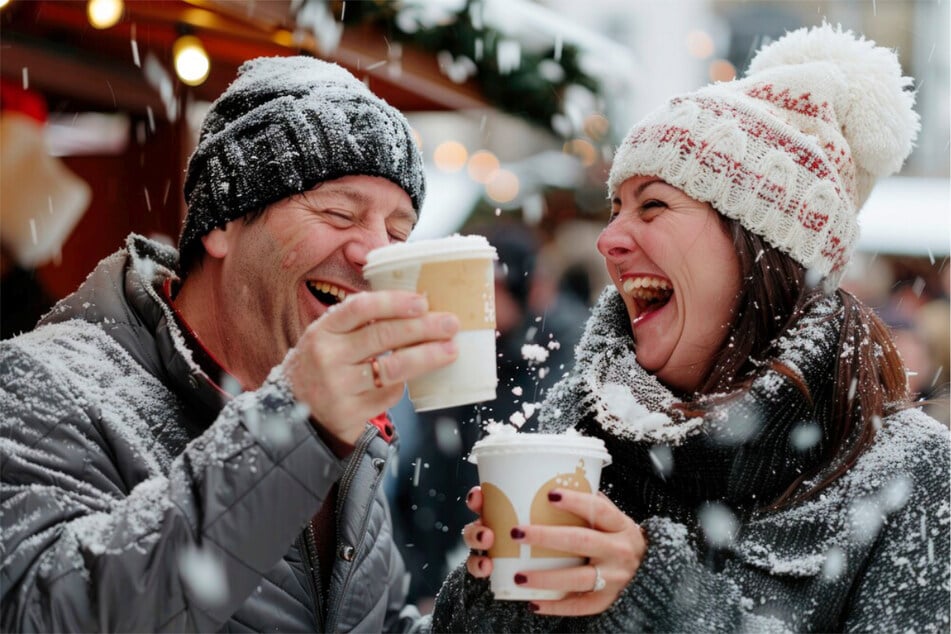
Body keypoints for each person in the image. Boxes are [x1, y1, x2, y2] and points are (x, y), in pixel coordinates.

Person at [433, 24, 951, 632]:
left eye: (653, 204)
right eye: (615, 208)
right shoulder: (572, 435)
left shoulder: (911, 474)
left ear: (761, 249)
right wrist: (495, 595)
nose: (609, 240)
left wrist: (654, 596)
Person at [0, 56, 462, 632]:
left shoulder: (352, 428)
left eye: (397, 232)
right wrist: (293, 427)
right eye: (340, 211)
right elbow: (44, 616)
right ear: (222, 222)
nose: (375, 255)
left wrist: (514, 604)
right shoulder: (43, 384)